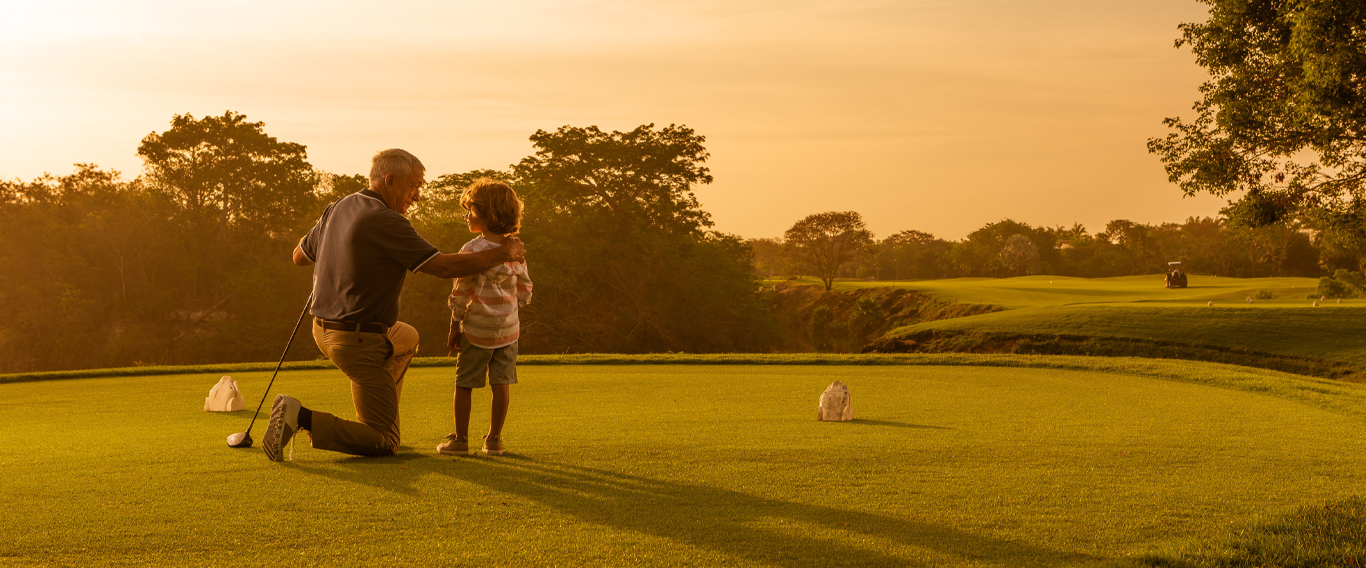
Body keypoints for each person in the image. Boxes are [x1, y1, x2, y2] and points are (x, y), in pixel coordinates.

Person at [262, 149, 525, 461]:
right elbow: (442, 267)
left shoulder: (340, 206)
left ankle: (382, 416)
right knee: (384, 442)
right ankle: (300, 416)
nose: (417, 196)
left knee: (407, 337)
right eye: (414, 186)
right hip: (356, 339)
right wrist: (502, 253)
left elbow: (299, 257)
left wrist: (342, 250)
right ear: (390, 181)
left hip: (324, 330)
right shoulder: (386, 220)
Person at [437, 179, 532, 456]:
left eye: (471, 210)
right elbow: (525, 289)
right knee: (501, 382)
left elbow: (460, 290)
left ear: (487, 215)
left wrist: (455, 324)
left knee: (464, 383)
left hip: (477, 329)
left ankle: (461, 441)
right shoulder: (515, 248)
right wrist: (515, 305)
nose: (466, 215)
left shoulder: (471, 250)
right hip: (508, 329)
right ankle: (494, 440)